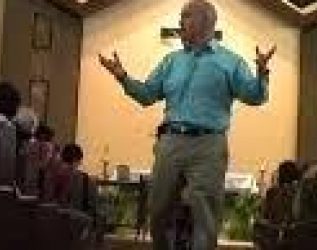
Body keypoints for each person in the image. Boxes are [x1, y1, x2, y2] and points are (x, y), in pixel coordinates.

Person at [97, 1, 275, 248]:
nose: (180, 22)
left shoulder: (230, 62)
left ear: (206, 21)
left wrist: (262, 73)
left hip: (208, 145)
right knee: (158, 210)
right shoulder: (171, 61)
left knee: (205, 214)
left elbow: (255, 96)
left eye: (186, 16)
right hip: (170, 142)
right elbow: (147, 95)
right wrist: (122, 76)